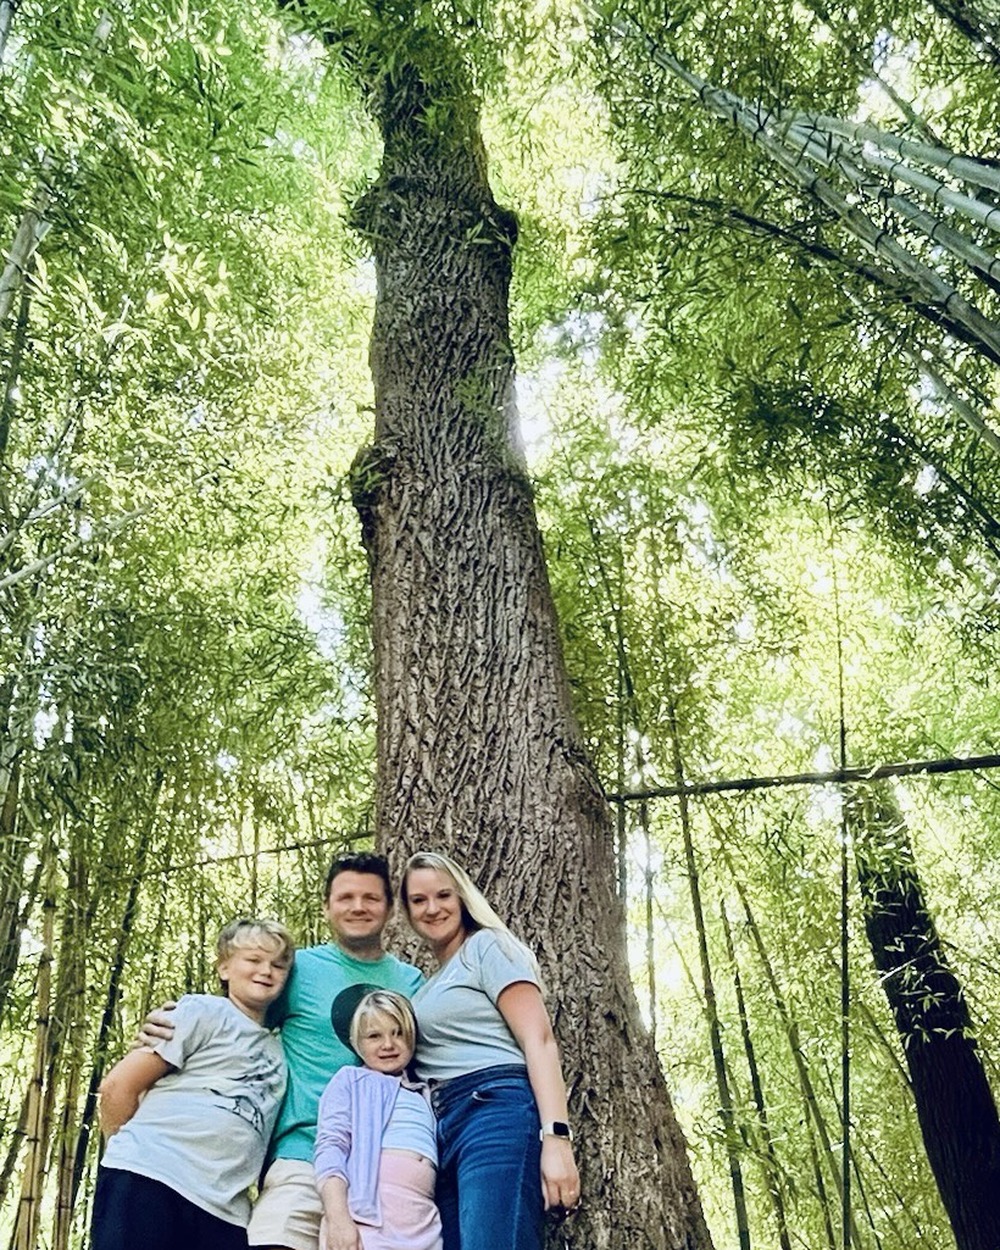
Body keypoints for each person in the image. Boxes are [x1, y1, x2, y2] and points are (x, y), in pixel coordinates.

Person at [138, 851, 423, 1250]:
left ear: (390, 908)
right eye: (345, 897)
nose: (358, 906)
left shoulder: (412, 982)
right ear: (326, 907)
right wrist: (170, 1026)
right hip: (301, 1155)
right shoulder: (298, 969)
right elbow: (238, 1013)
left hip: (386, 1163)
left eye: (371, 898)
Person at [400, 851, 580, 1250]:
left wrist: (556, 1139)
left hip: (493, 1109)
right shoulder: (425, 986)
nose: (432, 908)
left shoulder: (487, 948)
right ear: (408, 910)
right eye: (418, 900)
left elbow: (540, 1039)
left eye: (443, 895)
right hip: (440, 1130)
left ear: (462, 897)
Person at [92, 917, 294, 1250]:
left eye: (278, 965)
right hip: (152, 1178)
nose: (266, 971)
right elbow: (118, 1086)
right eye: (253, 960)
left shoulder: (281, 1051)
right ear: (225, 967)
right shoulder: (201, 1011)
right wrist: (129, 1153)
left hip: (226, 1210)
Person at [315, 990, 442, 1250]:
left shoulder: (424, 1092)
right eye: (374, 1036)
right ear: (357, 1042)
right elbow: (331, 1147)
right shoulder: (351, 1080)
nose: (388, 1044)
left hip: (421, 1220)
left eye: (398, 1033)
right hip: (367, 1218)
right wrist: (338, 1217)